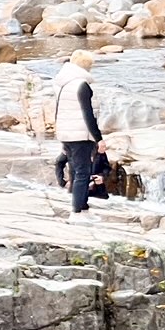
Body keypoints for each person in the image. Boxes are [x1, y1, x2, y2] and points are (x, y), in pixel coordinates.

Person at [53, 50, 103, 218]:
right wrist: (98, 138)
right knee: (83, 172)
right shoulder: (81, 85)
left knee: (75, 171)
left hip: (66, 133)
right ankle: (77, 212)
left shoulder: (64, 84)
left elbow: (59, 111)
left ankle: (83, 207)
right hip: (80, 135)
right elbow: (88, 115)